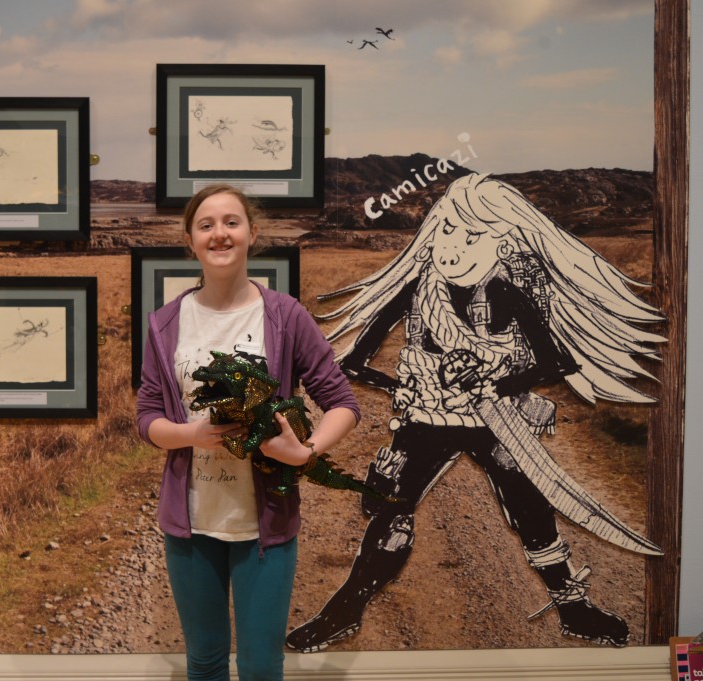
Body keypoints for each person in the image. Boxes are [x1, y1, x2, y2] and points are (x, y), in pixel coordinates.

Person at [285, 173, 664, 652]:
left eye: (471, 235)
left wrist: (496, 383)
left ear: (500, 242)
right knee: (391, 518)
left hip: (496, 421)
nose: (454, 246)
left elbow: (557, 361)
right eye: (446, 230)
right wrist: (411, 385)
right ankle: (342, 614)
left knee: (532, 509)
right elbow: (355, 362)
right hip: (425, 421)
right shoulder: (416, 292)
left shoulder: (505, 294)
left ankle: (573, 608)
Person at [136, 184, 360, 680]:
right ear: (190, 239)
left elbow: (342, 404)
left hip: (266, 525)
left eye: (231, 222)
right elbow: (147, 416)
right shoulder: (165, 323)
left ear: (252, 233)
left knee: (261, 665)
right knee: (205, 662)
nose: (220, 233)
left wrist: (303, 453)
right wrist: (190, 434)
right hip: (191, 525)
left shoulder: (285, 316)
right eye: (206, 224)